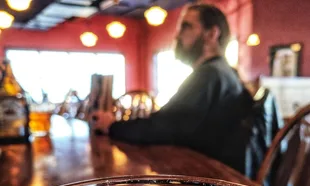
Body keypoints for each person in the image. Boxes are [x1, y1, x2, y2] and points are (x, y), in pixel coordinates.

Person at [92, 4, 254, 174]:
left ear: (212, 34)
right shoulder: (225, 72)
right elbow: (172, 123)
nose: (177, 35)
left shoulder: (210, 74)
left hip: (207, 183)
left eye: (186, 26)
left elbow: (162, 128)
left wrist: (111, 125)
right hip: (215, 175)